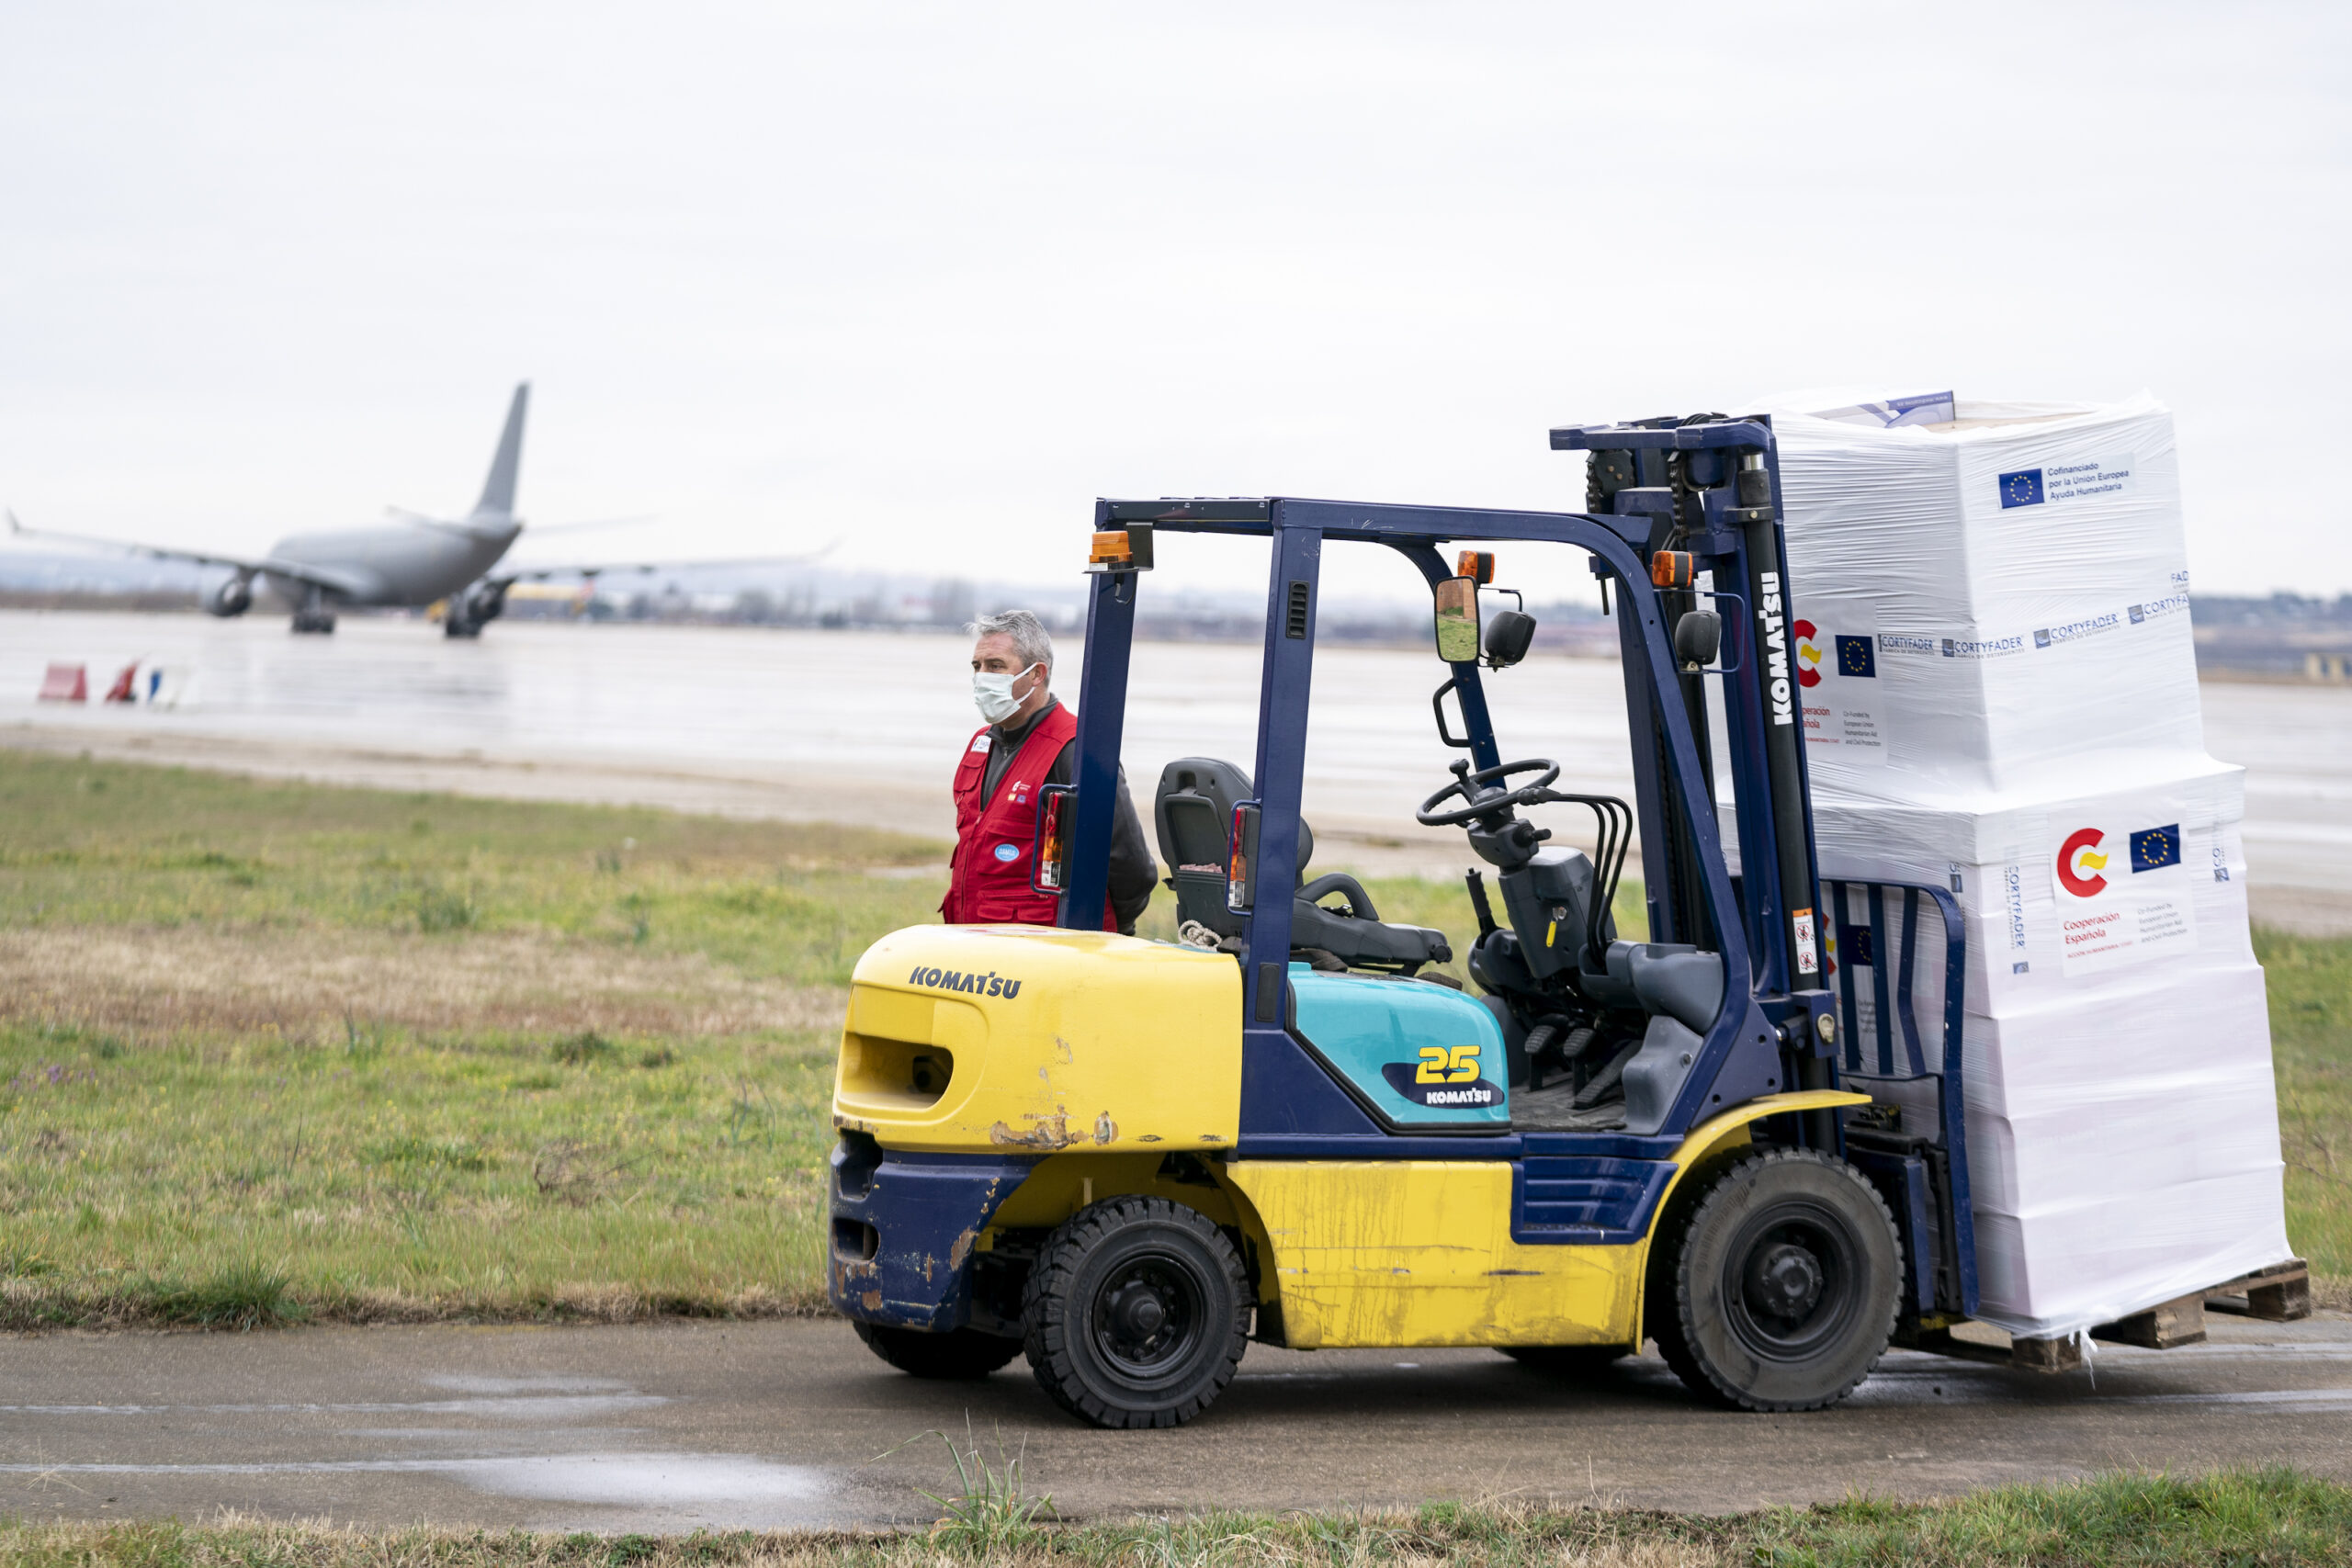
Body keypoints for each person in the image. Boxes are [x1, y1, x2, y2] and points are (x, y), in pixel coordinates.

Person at [945, 610, 1156, 932]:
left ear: (1036, 674)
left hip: (1044, 950)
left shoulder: (1076, 750)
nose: (982, 677)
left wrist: (1110, 931)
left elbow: (1132, 868)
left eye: (996, 666)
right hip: (976, 943)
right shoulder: (981, 744)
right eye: (977, 666)